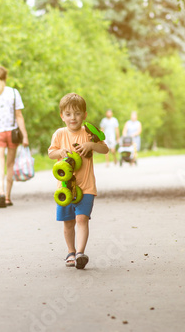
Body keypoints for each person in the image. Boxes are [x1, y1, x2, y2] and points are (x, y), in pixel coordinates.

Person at [48, 93, 109, 269]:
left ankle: (81, 253)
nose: (72, 118)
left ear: (84, 115)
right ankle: (71, 251)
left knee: (82, 219)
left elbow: (105, 149)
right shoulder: (59, 134)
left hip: (87, 186)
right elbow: (51, 153)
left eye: (76, 113)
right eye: (68, 114)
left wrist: (91, 145)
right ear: (62, 116)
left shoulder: (88, 133)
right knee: (68, 222)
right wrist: (60, 153)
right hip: (65, 188)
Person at [0, 66, 29, 208]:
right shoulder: (14, 93)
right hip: (12, 133)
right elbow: (19, 116)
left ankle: (1, 192)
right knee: (10, 165)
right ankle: (8, 197)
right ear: (6, 77)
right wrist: (25, 136)